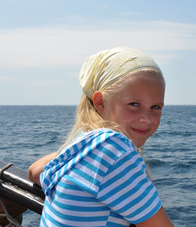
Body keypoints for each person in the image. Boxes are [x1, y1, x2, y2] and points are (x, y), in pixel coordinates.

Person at [28, 47, 174, 227]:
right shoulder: (113, 149)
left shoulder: (87, 142)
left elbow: (35, 170)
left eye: (156, 107)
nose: (147, 118)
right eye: (134, 104)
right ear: (100, 103)